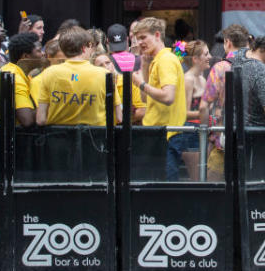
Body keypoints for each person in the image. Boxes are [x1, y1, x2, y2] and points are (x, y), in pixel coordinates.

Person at [131, 18, 190, 179]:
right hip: (158, 132)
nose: (140, 42)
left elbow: (168, 97)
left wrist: (141, 83)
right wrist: (144, 67)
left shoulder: (165, 60)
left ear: (157, 35)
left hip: (166, 134)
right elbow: (145, 99)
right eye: (137, 39)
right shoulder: (157, 60)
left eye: (143, 37)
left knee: (164, 185)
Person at [199, 24, 250, 179]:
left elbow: (204, 106)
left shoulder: (220, 68)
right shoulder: (256, 66)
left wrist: (205, 133)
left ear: (227, 42)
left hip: (223, 139)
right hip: (250, 137)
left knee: (217, 189)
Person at [36, 27, 114, 126]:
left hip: (57, 138)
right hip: (96, 138)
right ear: (83, 48)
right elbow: (117, 117)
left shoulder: (48, 73)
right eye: (90, 47)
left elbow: (40, 119)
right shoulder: (104, 74)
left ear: (63, 49)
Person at [0, 32, 41, 126]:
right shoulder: (14, 77)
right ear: (25, 56)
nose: (43, 54)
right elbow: (27, 120)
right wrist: (53, 105)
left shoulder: (10, 70)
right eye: (39, 51)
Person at [92, 51, 146, 123]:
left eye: (107, 63)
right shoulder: (93, 87)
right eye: (100, 65)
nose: (105, 67)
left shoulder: (129, 82)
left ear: (113, 64)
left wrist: (120, 122)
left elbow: (142, 111)